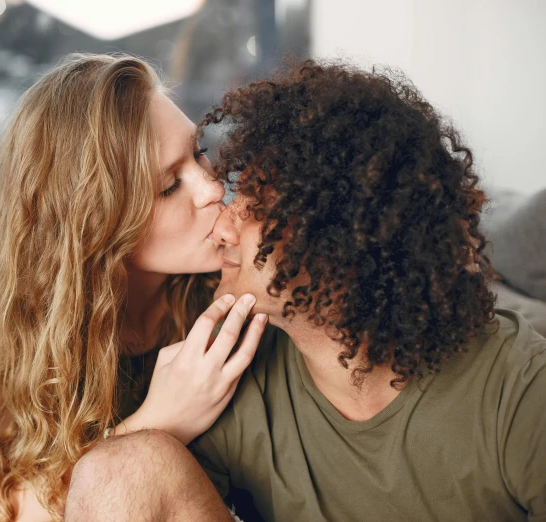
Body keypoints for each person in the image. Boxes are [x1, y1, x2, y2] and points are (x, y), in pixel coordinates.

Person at [63, 60, 546, 522]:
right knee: (118, 470)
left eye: (255, 206)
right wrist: (158, 420)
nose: (223, 220)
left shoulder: (522, 392)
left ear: (336, 244)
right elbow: (111, 494)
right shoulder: (229, 371)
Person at [0, 53, 268, 522]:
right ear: (94, 228)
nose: (211, 188)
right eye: (169, 186)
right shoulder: (20, 346)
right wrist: (161, 422)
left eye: (200, 152)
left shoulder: (235, 291)